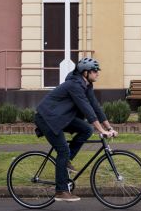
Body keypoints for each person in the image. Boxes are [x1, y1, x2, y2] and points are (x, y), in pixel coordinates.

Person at [34, 57, 117, 202]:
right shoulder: (74, 85)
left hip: (61, 117)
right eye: (94, 71)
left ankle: (66, 160)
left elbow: (95, 107)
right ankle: (61, 191)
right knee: (63, 150)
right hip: (47, 119)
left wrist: (109, 127)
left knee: (86, 129)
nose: (97, 73)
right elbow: (87, 110)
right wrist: (101, 130)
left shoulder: (87, 85)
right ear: (85, 73)